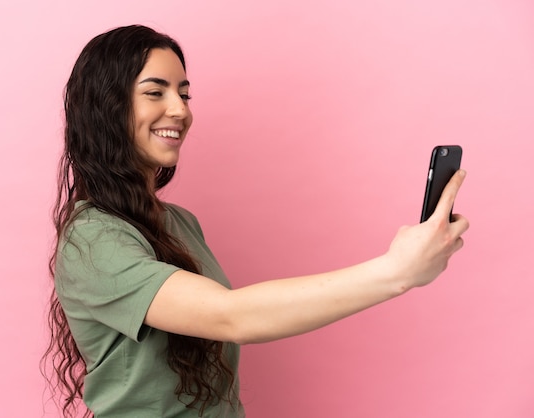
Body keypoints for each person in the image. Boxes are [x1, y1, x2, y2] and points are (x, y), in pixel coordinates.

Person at [42, 24, 469, 418]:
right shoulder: (92, 237)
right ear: (106, 107)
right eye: (156, 92)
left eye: (185, 93)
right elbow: (232, 317)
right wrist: (396, 272)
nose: (180, 110)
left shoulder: (179, 223)